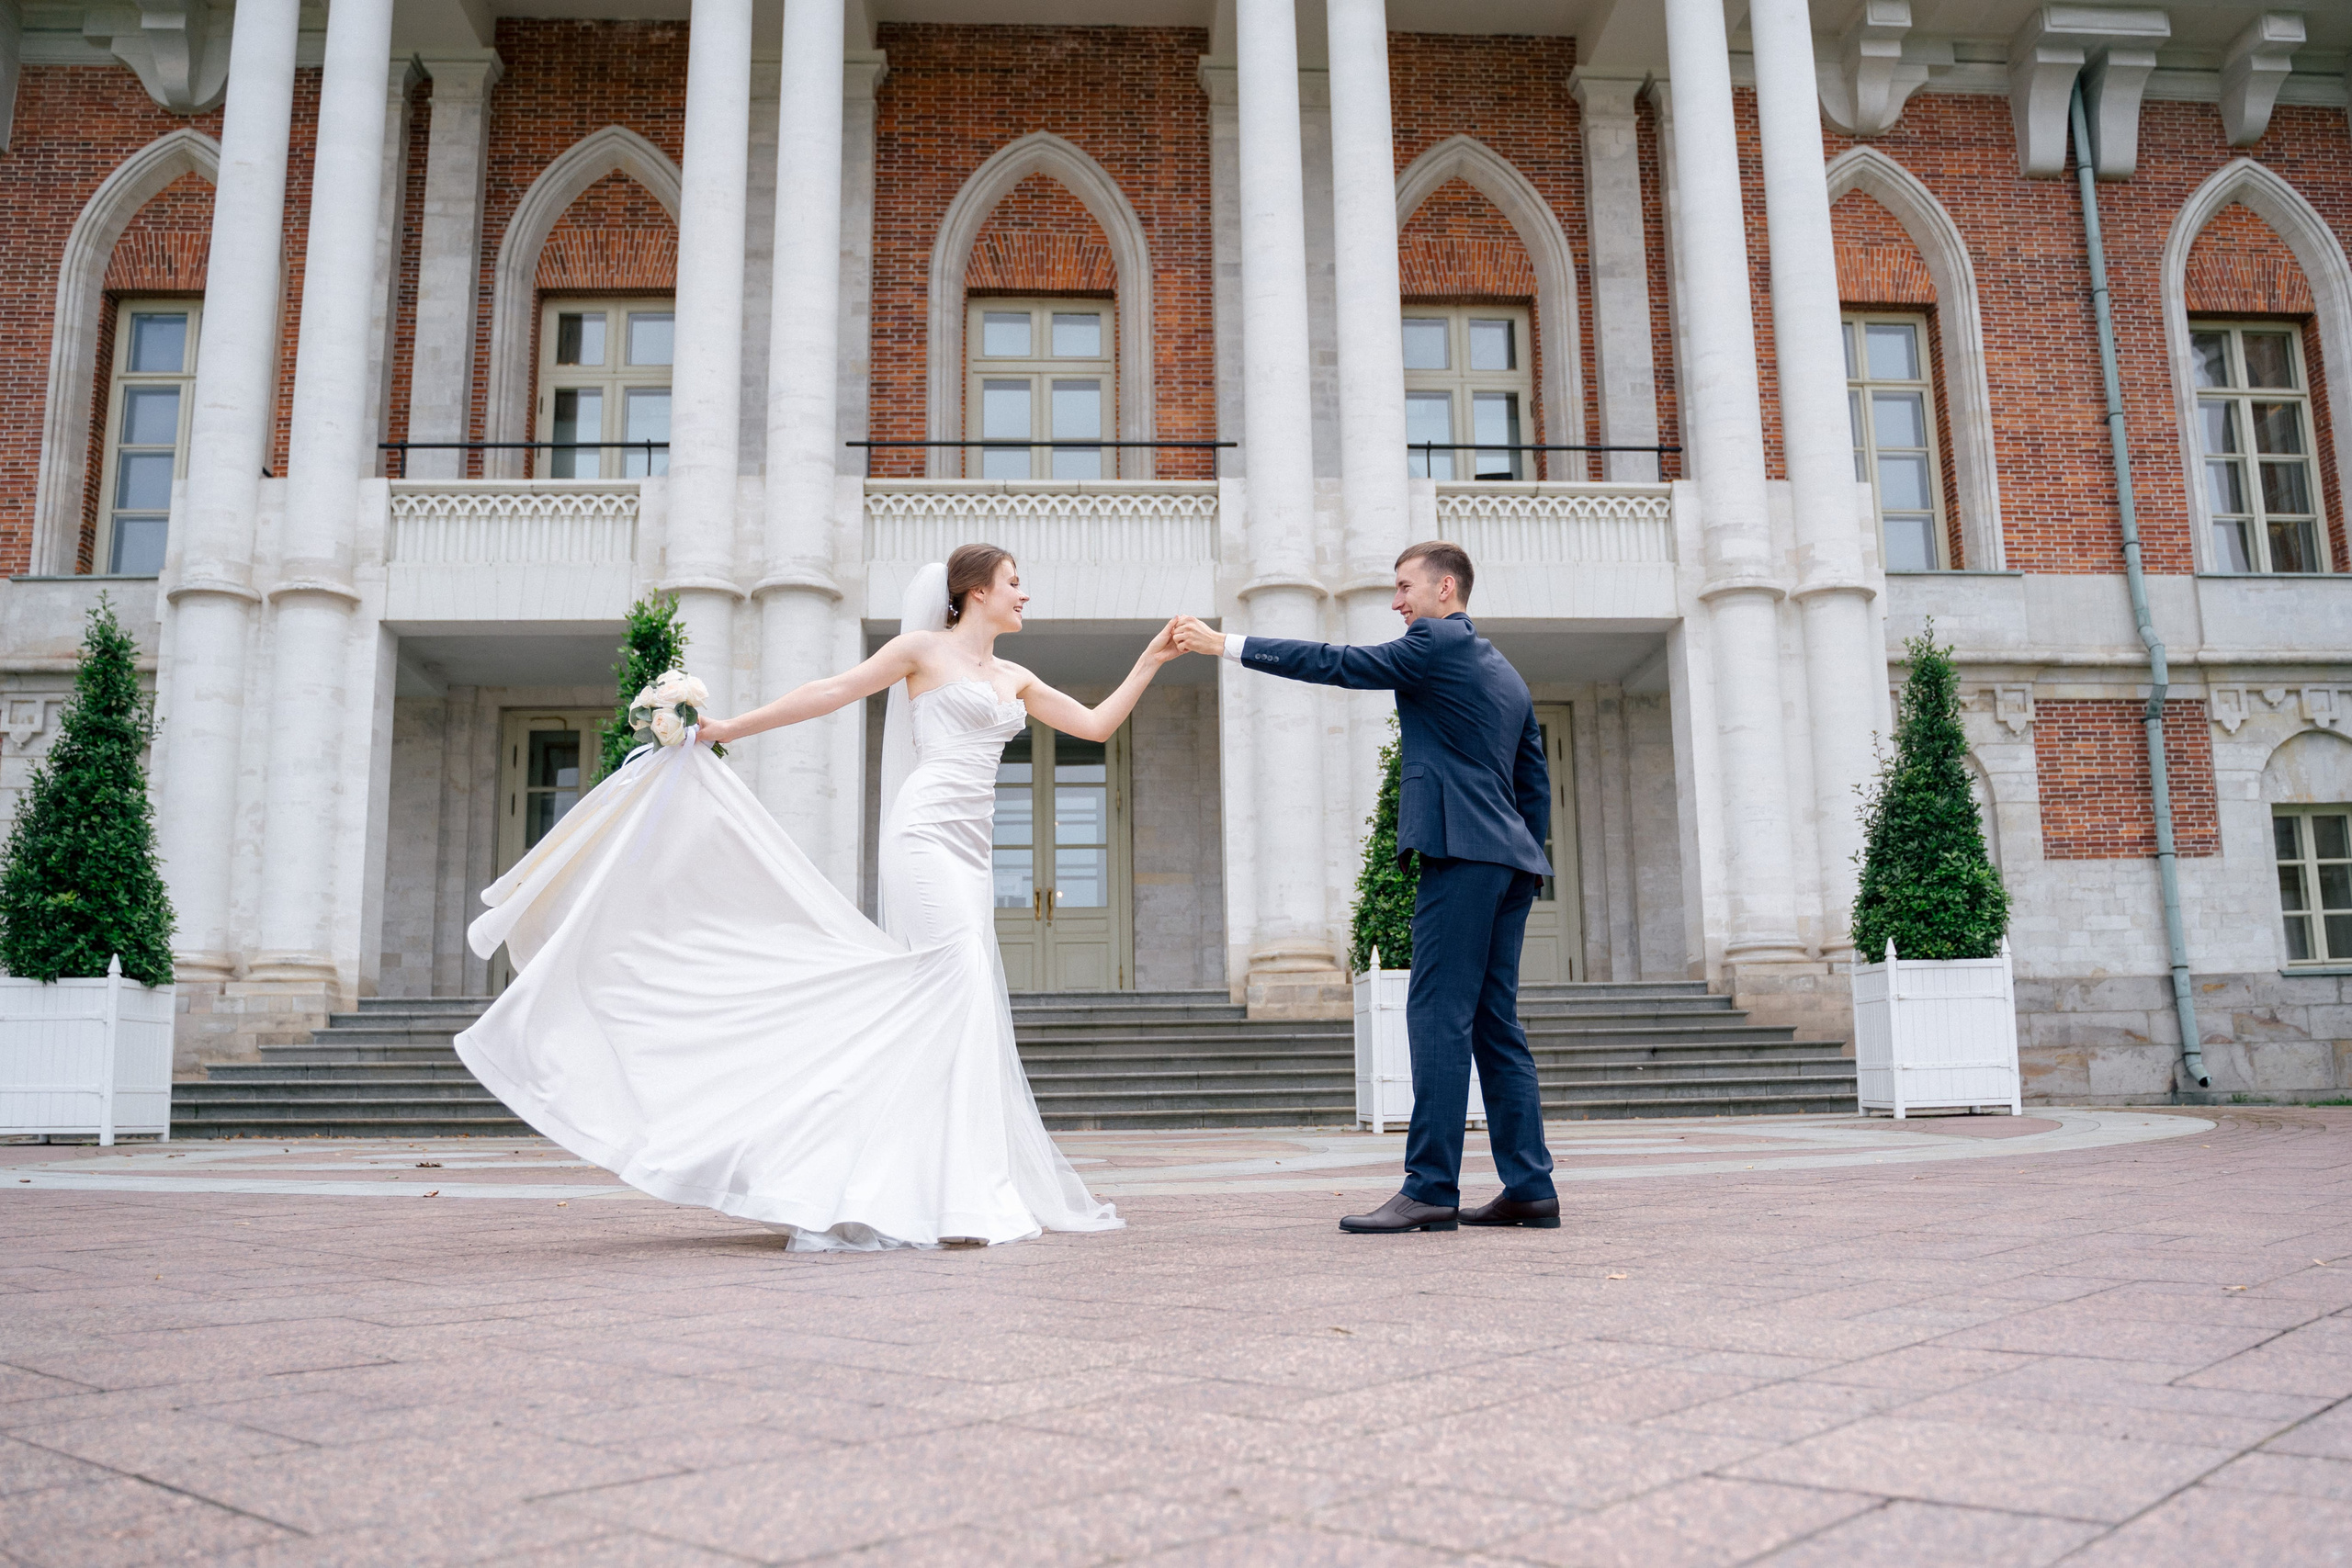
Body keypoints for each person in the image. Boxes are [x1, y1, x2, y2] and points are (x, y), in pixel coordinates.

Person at [456, 544, 1182, 1250]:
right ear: (976, 591)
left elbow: (1094, 724)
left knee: (954, 1004)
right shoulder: (922, 652)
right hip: (924, 837)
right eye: (1014, 581)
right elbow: (829, 691)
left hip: (974, 853)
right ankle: (939, 1189)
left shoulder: (1016, 676)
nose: (1026, 594)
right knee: (958, 982)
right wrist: (728, 728)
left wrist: (1149, 660)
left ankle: (930, 1181)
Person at [1173, 541, 1559, 1234]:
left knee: (1438, 1014)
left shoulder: (1434, 643)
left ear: (1446, 588)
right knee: (1494, 1022)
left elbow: (1338, 663)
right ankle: (1530, 1185)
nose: (1395, 601)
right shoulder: (1506, 672)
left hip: (1460, 854)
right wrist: (1525, 858)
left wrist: (1223, 643)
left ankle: (1430, 1187)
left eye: (1404, 587)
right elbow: (1533, 780)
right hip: (1508, 863)